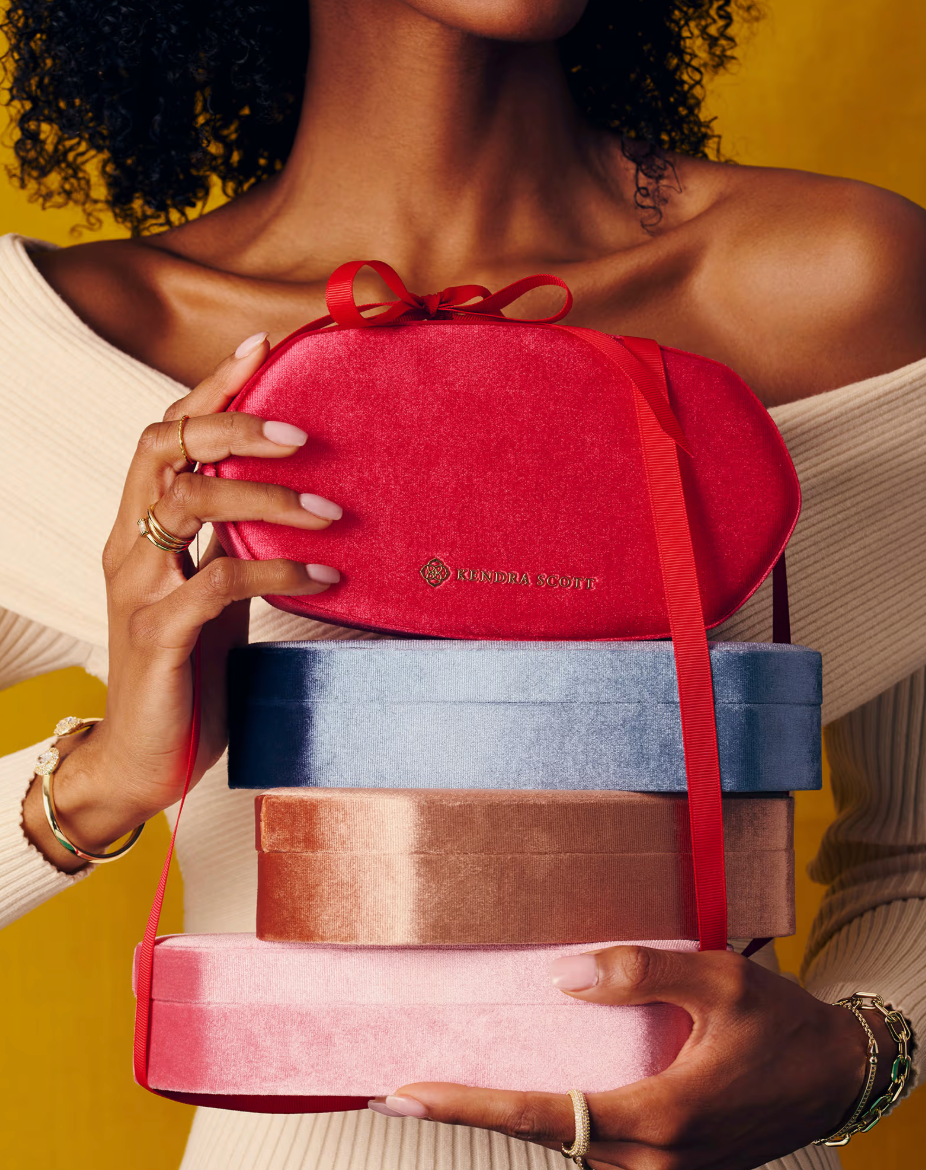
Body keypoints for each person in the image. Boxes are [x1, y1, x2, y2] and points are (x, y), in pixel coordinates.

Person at [1, 2, 924, 1167]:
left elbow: (913, 853)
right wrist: (92, 786)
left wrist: (857, 1062)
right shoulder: (49, 351)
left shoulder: (850, 288)